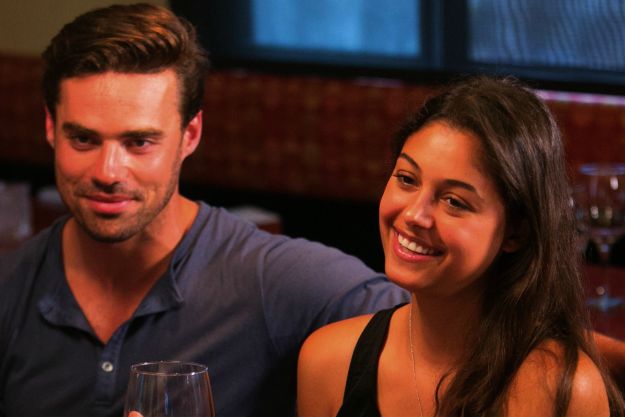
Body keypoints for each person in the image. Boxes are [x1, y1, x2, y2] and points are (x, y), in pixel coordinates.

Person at [0, 4, 409, 417]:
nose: (107, 172)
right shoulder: (11, 287)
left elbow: (435, 341)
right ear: (51, 128)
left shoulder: (273, 280)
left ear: (190, 135)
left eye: (139, 143)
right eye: (84, 140)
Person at [297, 77, 625, 417]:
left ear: (517, 232)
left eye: (454, 201)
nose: (414, 215)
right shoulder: (327, 363)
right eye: (407, 179)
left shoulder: (565, 390)